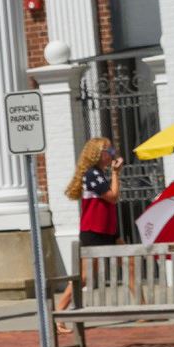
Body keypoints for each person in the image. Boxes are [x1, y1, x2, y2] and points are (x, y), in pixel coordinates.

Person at [56, 137, 125, 328]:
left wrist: (113, 174)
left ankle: (145, 309)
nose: (112, 154)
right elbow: (112, 197)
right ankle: (59, 313)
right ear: (98, 153)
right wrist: (116, 174)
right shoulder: (92, 174)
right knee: (85, 276)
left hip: (109, 229)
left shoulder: (101, 174)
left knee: (129, 264)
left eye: (112, 151)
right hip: (94, 231)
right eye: (108, 151)